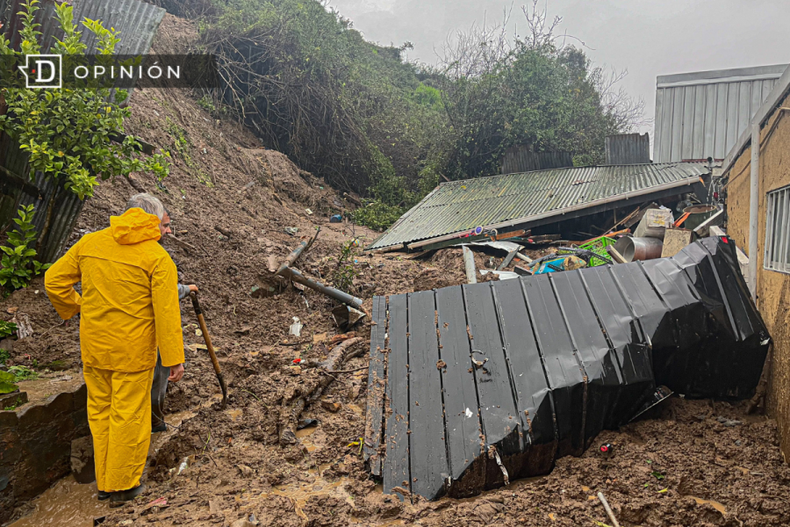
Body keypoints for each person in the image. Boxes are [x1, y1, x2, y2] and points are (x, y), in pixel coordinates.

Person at [45, 193, 185, 506]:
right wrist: (174, 359)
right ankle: (124, 486)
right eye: (164, 223)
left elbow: (54, 281)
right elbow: (166, 315)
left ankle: (105, 483)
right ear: (151, 221)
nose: (167, 230)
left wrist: (78, 306)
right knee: (129, 417)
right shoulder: (158, 258)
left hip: (94, 350)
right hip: (132, 355)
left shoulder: (90, 243)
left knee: (101, 413)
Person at [151, 281, 197, 433]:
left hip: (107, 336)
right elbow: (164, 291)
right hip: (147, 332)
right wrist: (175, 360)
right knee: (156, 378)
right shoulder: (155, 258)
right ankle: (155, 422)